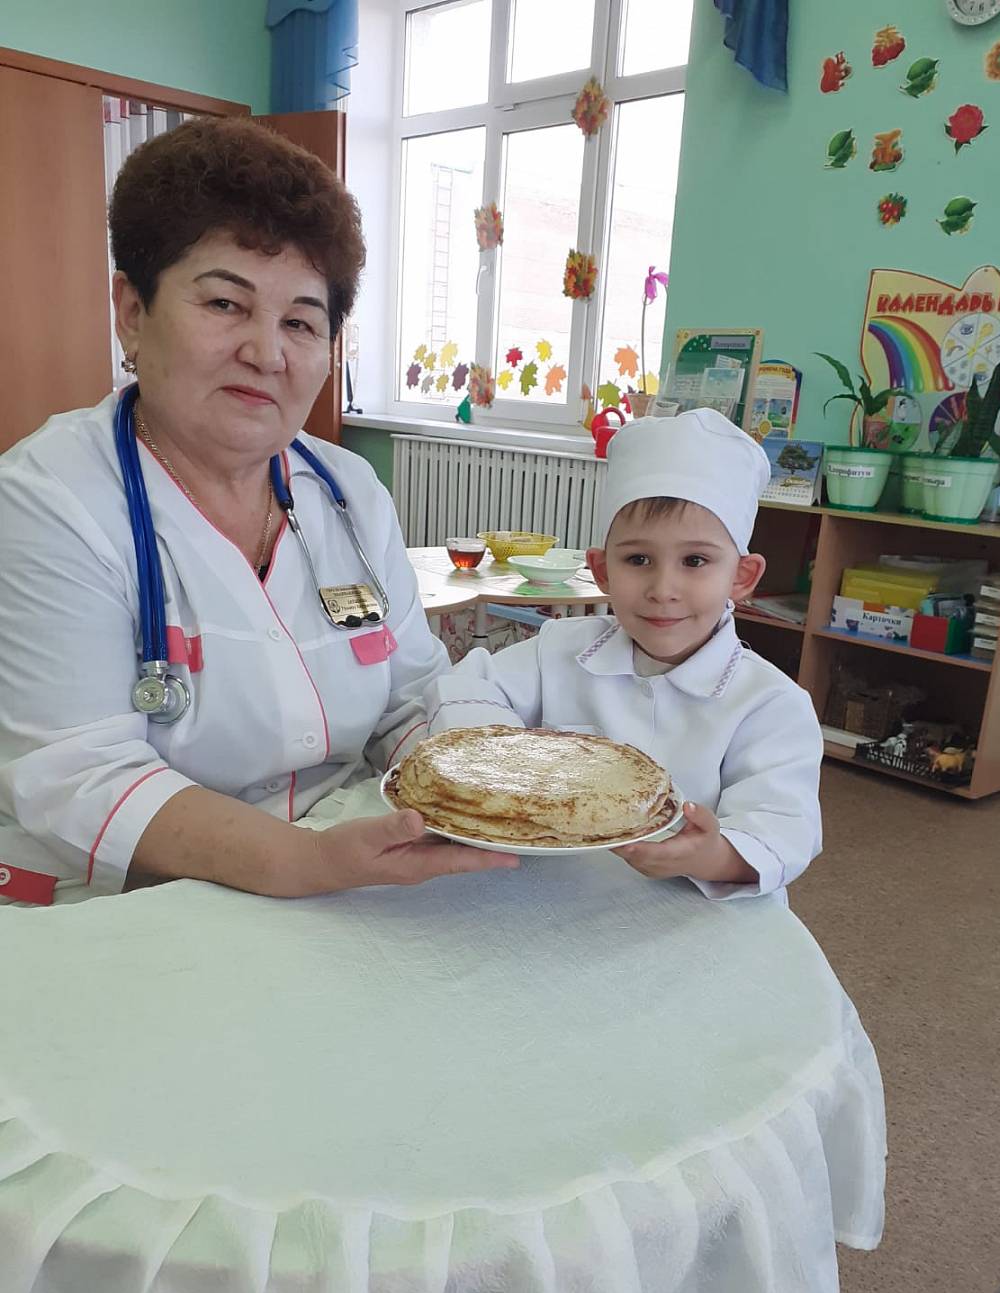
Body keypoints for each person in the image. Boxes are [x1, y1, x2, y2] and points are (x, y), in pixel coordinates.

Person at [0, 117, 515, 905]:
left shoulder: (349, 493)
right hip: (128, 901)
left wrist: (467, 791)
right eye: (224, 303)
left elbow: (410, 699)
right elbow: (82, 774)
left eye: (301, 322)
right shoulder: (49, 500)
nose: (267, 353)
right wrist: (305, 863)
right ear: (132, 310)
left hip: (344, 866)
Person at [419, 408, 822, 900]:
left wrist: (712, 854)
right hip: (548, 889)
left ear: (741, 577)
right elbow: (466, 687)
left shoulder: (770, 703)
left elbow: (784, 826)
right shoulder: (560, 647)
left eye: (695, 560)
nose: (663, 588)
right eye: (638, 559)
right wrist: (498, 768)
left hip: (687, 905)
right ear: (602, 570)